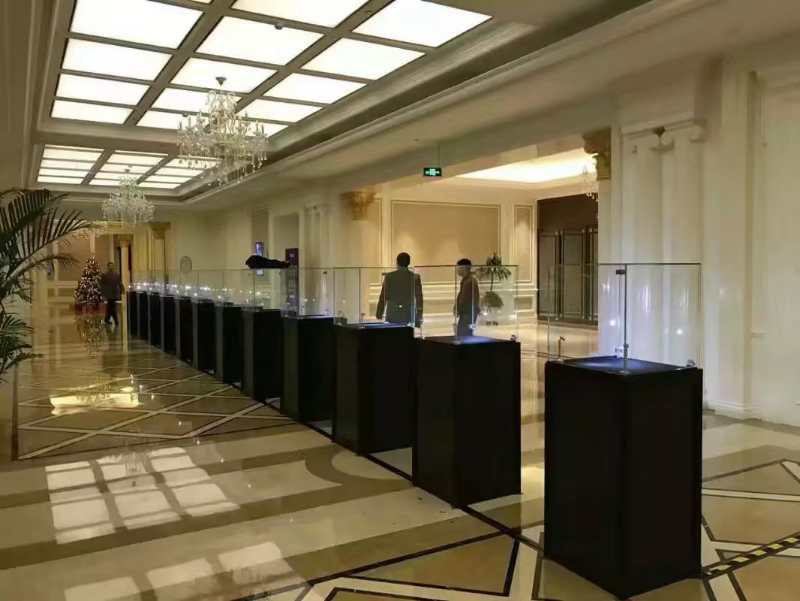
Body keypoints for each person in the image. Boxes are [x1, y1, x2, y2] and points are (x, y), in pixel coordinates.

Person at [376, 252, 423, 327]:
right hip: (408, 314)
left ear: (397, 262)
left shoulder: (389, 276)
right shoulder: (415, 277)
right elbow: (419, 298)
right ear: (409, 263)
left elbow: (383, 296)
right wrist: (419, 316)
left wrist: (379, 313)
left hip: (393, 314)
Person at [455, 258, 480, 337]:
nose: (457, 270)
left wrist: (458, 309)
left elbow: (465, 299)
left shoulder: (469, 281)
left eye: (458, 268)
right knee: (463, 334)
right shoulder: (466, 281)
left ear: (464, 268)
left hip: (468, 314)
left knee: (464, 335)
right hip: (466, 313)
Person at [100, 262, 124, 326]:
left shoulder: (116, 275)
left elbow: (119, 283)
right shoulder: (104, 275)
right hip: (109, 293)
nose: (111, 267)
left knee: (110, 307)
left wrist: (122, 289)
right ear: (108, 267)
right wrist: (103, 293)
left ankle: (107, 319)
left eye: (112, 266)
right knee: (112, 306)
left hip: (114, 293)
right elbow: (102, 285)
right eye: (110, 266)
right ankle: (115, 321)